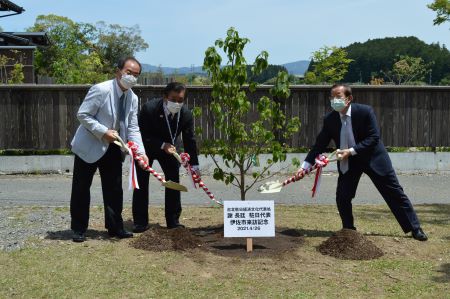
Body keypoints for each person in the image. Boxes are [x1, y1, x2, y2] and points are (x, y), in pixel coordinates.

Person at [300, 84, 428, 241]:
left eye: (338, 97)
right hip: (349, 162)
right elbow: (319, 145)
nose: (334, 100)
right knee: (343, 196)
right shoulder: (330, 119)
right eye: (331, 97)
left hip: (373, 157)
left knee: (394, 192)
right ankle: (348, 230)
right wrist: (305, 166)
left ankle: (415, 228)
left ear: (349, 99)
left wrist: (351, 151)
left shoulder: (364, 112)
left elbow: (373, 138)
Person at [70, 56, 148, 242]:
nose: (131, 77)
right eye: (128, 73)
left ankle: (115, 227)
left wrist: (141, 152)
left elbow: (132, 127)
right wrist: (103, 131)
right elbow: (83, 114)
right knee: (81, 188)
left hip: (114, 147)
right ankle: (79, 228)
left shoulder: (133, 98)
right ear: (118, 71)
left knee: (114, 189)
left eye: (136, 75)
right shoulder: (101, 89)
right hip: (89, 145)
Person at [132, 82, 200, 231]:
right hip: (147, 147)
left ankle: (173, 220)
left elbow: (190, 140)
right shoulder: (149, 109)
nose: (176, 103)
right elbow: (142, 134)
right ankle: (140, 221)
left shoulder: (186, 114)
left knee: (173, 182)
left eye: (180, 100)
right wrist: (162, 145)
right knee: (141, 182)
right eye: (173, 99)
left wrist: (194, 166)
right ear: (165, 97)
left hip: (171, 149)